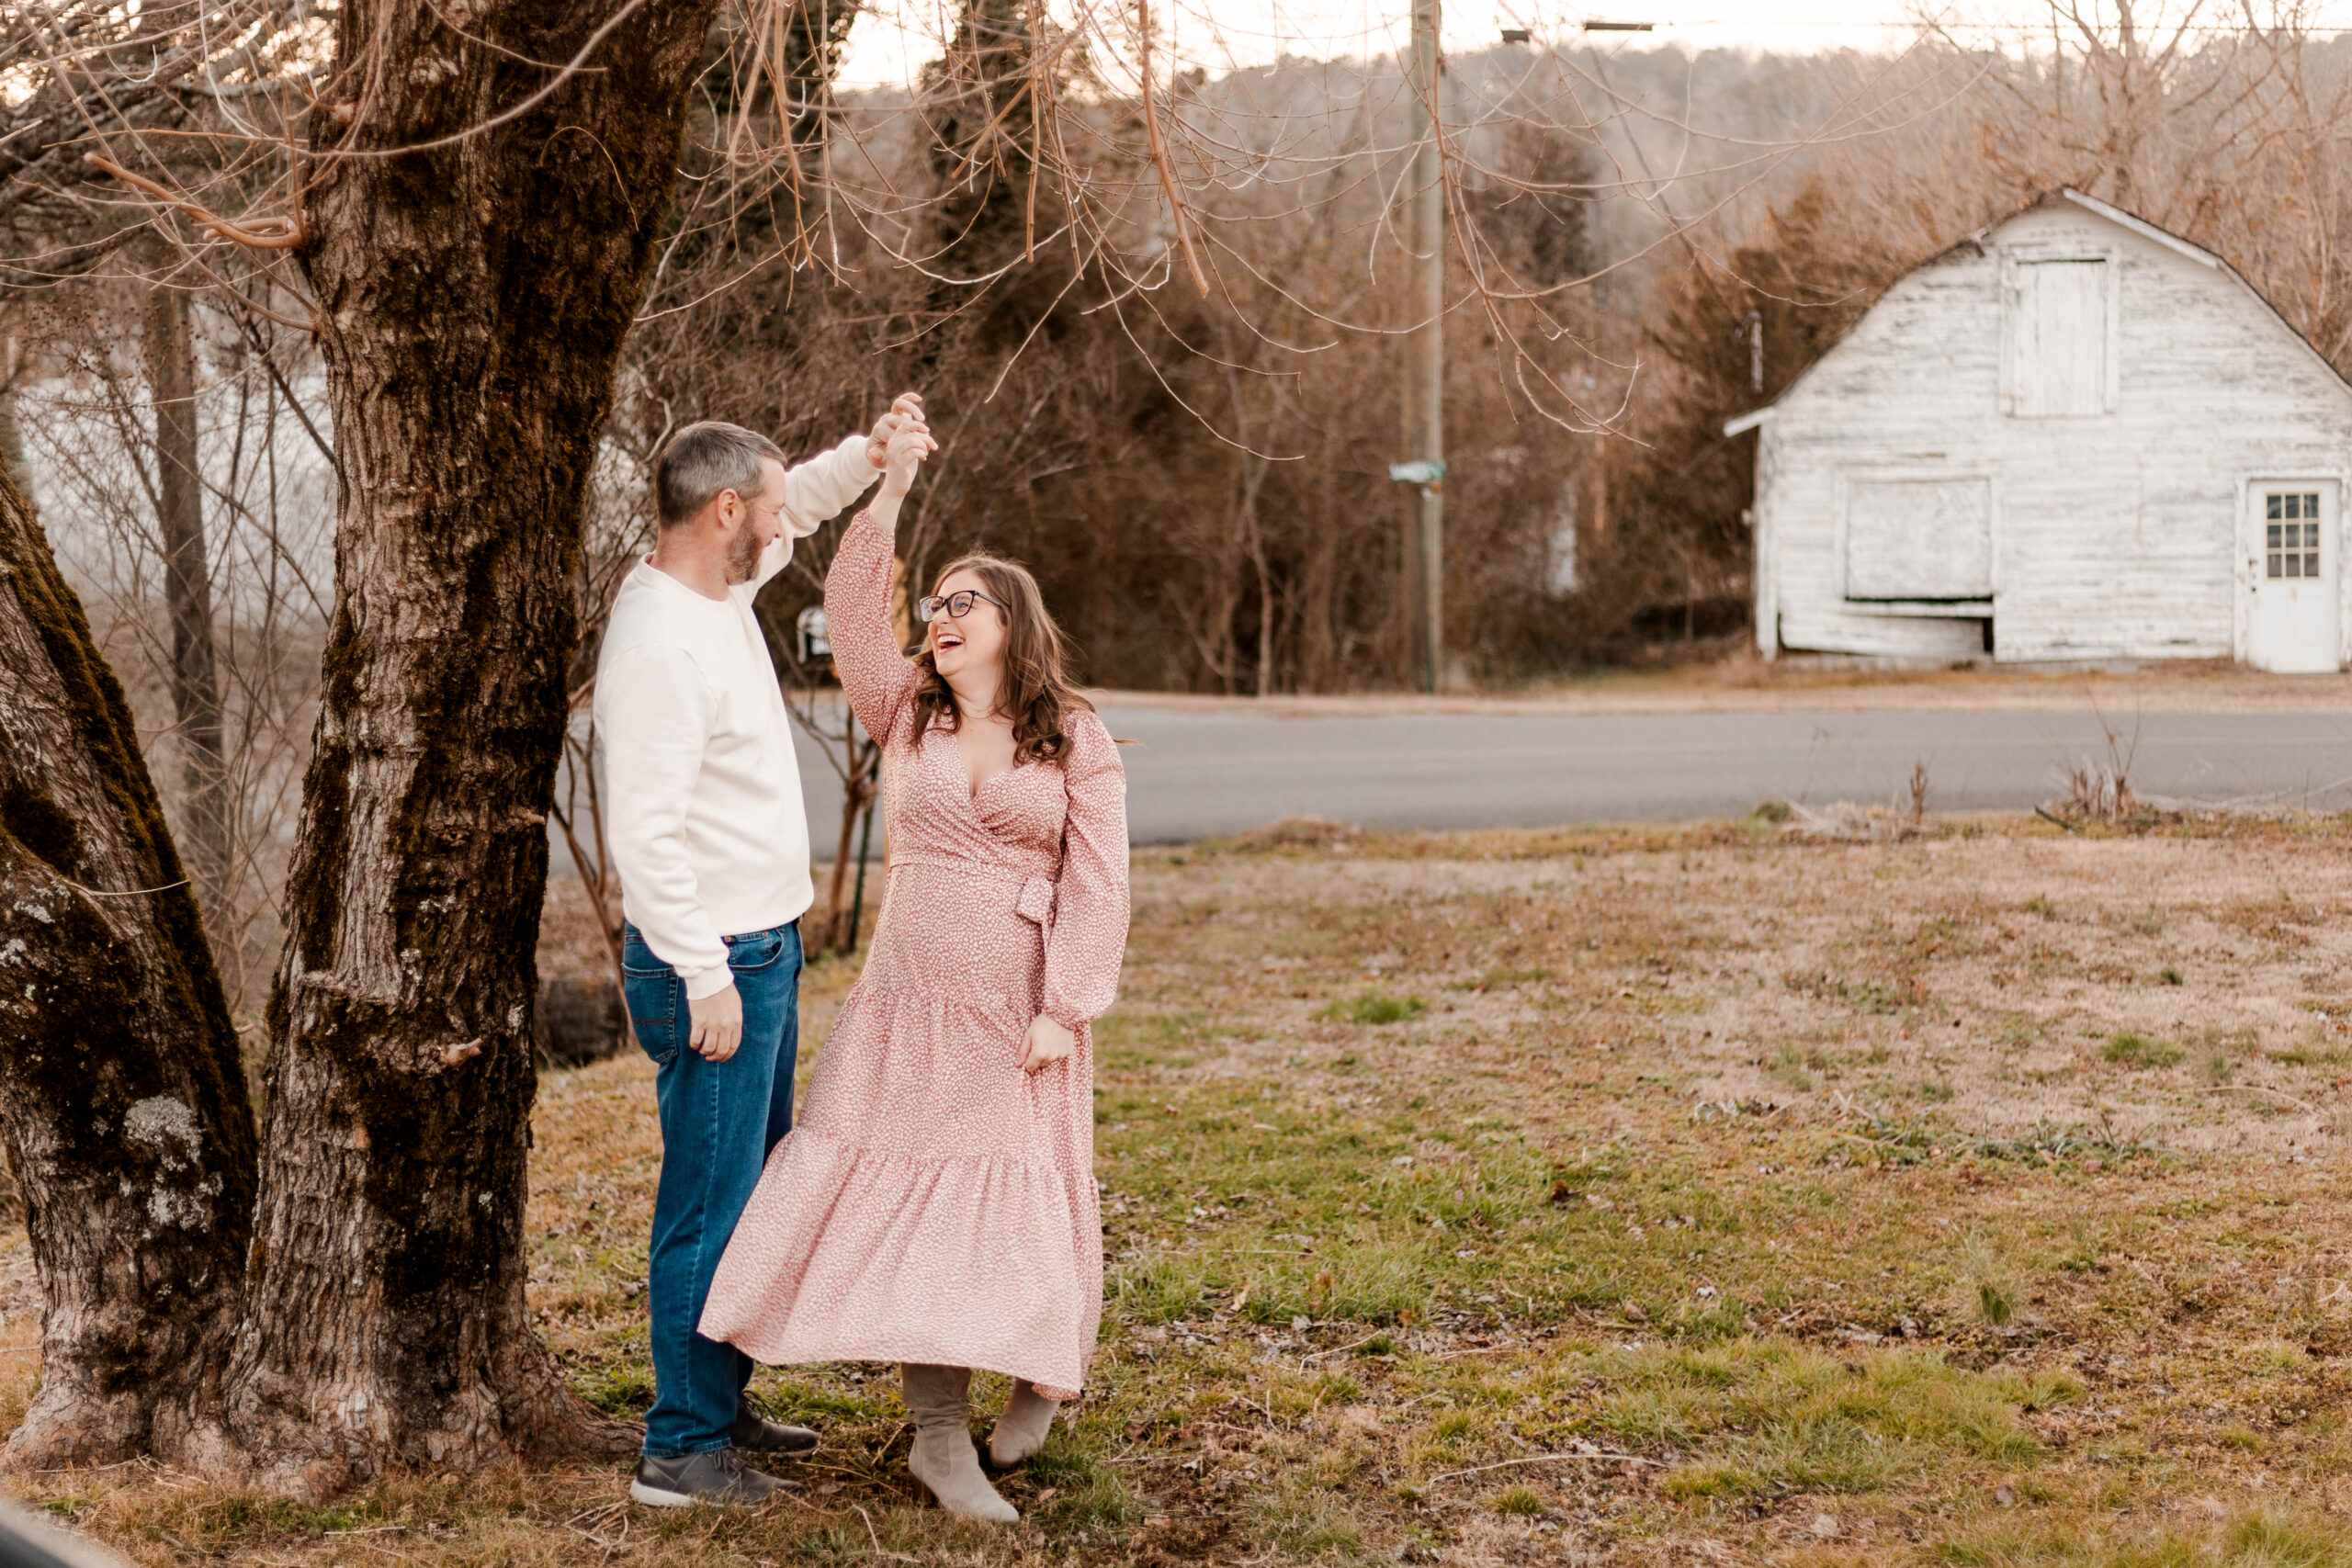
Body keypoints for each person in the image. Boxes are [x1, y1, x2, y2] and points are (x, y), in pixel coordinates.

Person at [700, 399, 1130, 1524]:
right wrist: (887, 493)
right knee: (927, 1218)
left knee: (1021, 1202)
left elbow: (1100, 879)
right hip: (908, 1008)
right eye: (934, 603)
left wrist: (1066, 1004)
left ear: (1013, 621)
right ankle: (940, 1441)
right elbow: (850, 610)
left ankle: (1040, 1373)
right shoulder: (908, 715)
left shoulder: (1070, 734)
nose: (941, 616)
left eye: (964, 602)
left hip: (1016, 1009)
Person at [597, 401, 922, 1508]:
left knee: (747, 1195)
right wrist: (701, 976)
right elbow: (643, 834)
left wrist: (865, 461)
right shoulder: (656, 642)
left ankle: (722, 1403)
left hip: (759, 948)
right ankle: (680, 1447)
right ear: (723, 510)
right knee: (707, 1202)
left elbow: (804, 507)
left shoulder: (718, 582)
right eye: (771, 509)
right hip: (716, 962)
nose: (787, 528)